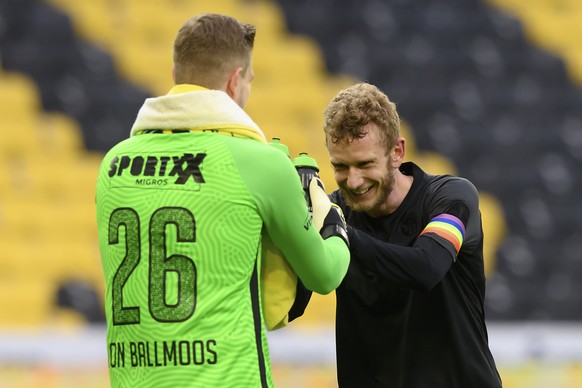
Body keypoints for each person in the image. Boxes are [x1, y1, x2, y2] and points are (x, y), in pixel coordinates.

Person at [95, 13, 350, 388]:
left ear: (174, 73)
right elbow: (325, 275)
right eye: (249, 80)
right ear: (235, 81)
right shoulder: (259, 163)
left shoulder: (112, 164)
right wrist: (334, 222)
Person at [312, 82, 502, 387]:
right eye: (341, 167)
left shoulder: (451, 197)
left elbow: (426, 267)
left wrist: (341, 233)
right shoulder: (333, 213)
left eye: (365, 164)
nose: (354, 180)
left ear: (396, 152)